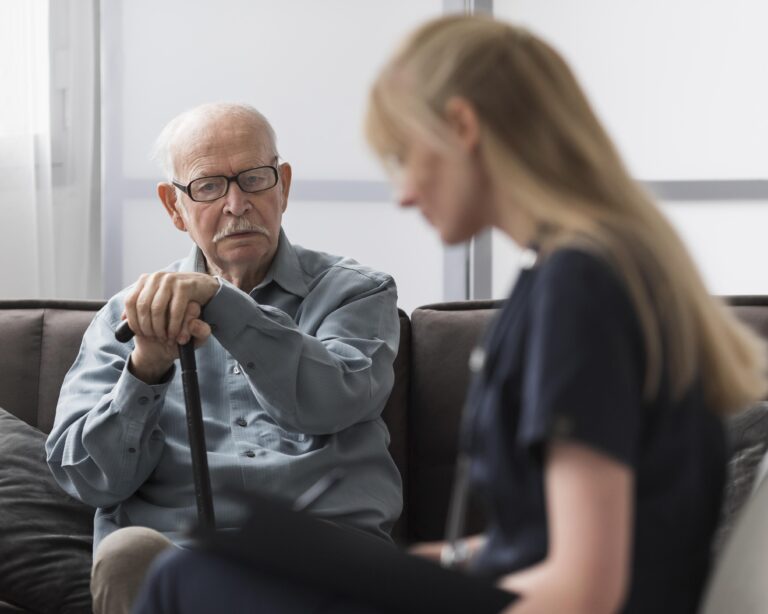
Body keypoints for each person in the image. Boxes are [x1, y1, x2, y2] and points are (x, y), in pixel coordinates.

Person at [132, 15, 768, 614]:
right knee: (198, 573)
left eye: (405, 157)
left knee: (182, 579)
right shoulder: (594, 269)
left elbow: (585, 591)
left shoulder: (579, 291)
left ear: (462, 128)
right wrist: (412, 565)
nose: (405, 194)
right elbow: (553, 543)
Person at [45, 102, 403, 614]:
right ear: (174, 207)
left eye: (254, 179)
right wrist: (145, 369)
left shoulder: (356, 294)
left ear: (283, 186)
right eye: (209, 186)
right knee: (127, 553)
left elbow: (331, 402)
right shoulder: (124, 319)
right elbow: (87, 479)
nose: (237, 204)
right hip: (177, 556)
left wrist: (220, 301)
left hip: (320, 555)